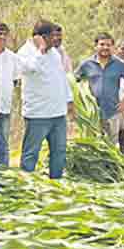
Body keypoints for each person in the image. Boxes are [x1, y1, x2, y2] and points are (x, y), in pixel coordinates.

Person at [17, 19, 74, 179]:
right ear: (40, 37)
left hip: (58, 113)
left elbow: (61, 77)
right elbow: (31, 69)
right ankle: (27, 183)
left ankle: (56, 182)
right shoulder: (24, 53)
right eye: (51, 36)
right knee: (31, 153)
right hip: (38, 114)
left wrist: (69, 100)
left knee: (59, 151)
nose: (55, 40)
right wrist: (41, 51)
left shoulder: (54, 53)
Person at [74, 33, 124, 149]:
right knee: (93, 146)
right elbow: (74, 81)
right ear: (95, 46)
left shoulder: (119, 64)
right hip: (92, 114)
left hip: (112, 111)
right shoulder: (86, 64)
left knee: (111, 146)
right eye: (102, 44)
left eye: (108, 45)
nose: (105, 47)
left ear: (112, 47)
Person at [0, 23, 21, 167]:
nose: (1, 37)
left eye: (4, 34)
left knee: (3, 143)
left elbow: (15, 80)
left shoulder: (12, 57)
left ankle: (3, 172)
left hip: (4, 106)